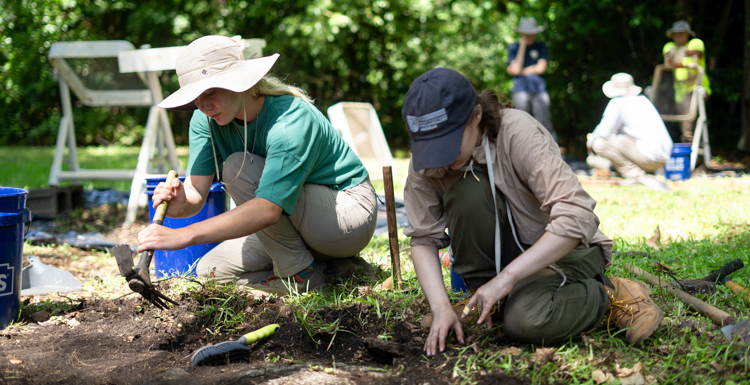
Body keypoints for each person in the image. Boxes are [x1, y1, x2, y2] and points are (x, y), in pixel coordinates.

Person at [401, 68, 663, 355]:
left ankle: (609, 293)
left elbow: (576, 216)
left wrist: (506, 279)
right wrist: (440, 308)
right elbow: (424, 239)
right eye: (431, 147)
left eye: (447, 143)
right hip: (505, 266)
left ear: (476, 116)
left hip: (563, 253)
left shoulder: (517, 131)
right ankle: (492, 298)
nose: (442, 157)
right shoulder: (427, 161)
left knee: (526, 321)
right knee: (468, 189)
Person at [136, 35, 378, 295]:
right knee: (212, 272)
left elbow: (267, 210)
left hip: (345, 214)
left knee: (237, 167)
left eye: (210, 91)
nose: (204, 105)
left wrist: (184, 235)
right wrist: (181, 203)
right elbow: (196, 193)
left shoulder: (289, 119)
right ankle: (334, 271)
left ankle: (303, 276)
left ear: (240, 82)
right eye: (195, 96)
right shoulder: (204, 120)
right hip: (293, 219)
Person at [586, 73, 673, 193]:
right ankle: (646, 171)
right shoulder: (643, 100)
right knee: (618, 139)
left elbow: (603, 132)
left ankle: (634, 174)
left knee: (598, 143)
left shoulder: (617, 103)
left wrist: (591, 140)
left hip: (649, 157)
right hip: (663, 158)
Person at [506, 17, 557, 142]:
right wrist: (522, 47)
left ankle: (553, 152)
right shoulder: (513, 48)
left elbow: (541, 68)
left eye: (532, 33)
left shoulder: (540, 46)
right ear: (521, 33)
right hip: (520, 90)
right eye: (527, 33)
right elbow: (516, 68)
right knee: (522, 122)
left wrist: (521, 71)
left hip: (539, 89)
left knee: (544, 121)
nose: (530, 36)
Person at [663, 20, 711, 143]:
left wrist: (682, 52)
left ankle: (689, 146)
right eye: (675, 33)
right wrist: (674, 55)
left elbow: (698, 53)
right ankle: (689, 148)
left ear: (688, 34)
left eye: (681, 33)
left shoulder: (695, 42)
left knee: (687, 120)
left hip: (697, 88)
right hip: (680, 93)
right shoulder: (670, 46)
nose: (677, 36)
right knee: (683, 119)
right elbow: (668, 57)